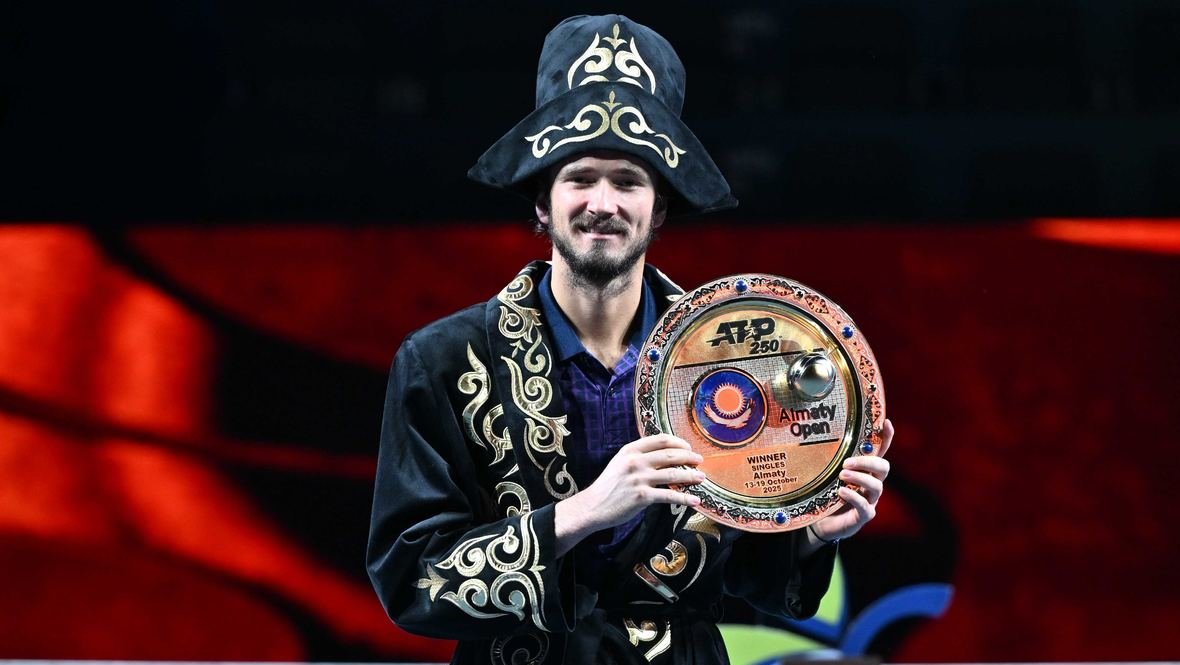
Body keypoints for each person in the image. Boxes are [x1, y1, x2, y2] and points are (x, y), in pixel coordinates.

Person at [367, 14, 893, 665]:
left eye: (627, 181)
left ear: (658, 206)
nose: (603, 202)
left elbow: (752, 569)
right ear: (542, 201)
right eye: (580, 177)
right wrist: (584, 511)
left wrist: (813, 532)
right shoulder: (444, 360)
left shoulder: (730, 356)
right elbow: (411, 578)